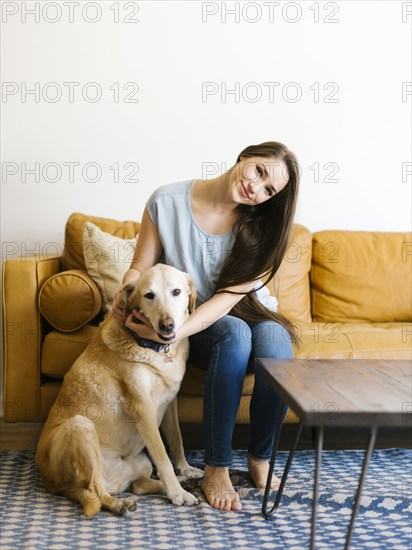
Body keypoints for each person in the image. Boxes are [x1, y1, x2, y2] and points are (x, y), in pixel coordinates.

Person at [112, 141, 300, 512]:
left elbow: (225, 302)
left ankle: (260, 458)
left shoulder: (265, 230)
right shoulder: (166, 202)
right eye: (259, 172)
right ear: (244, 157)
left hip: (233, 313)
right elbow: (140, 264)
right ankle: (217, 467)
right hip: (193, 323)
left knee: (277, 339)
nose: (256, 188)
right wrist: (126, 289)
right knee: (234, 334)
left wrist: (165, 336)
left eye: (268, 191)